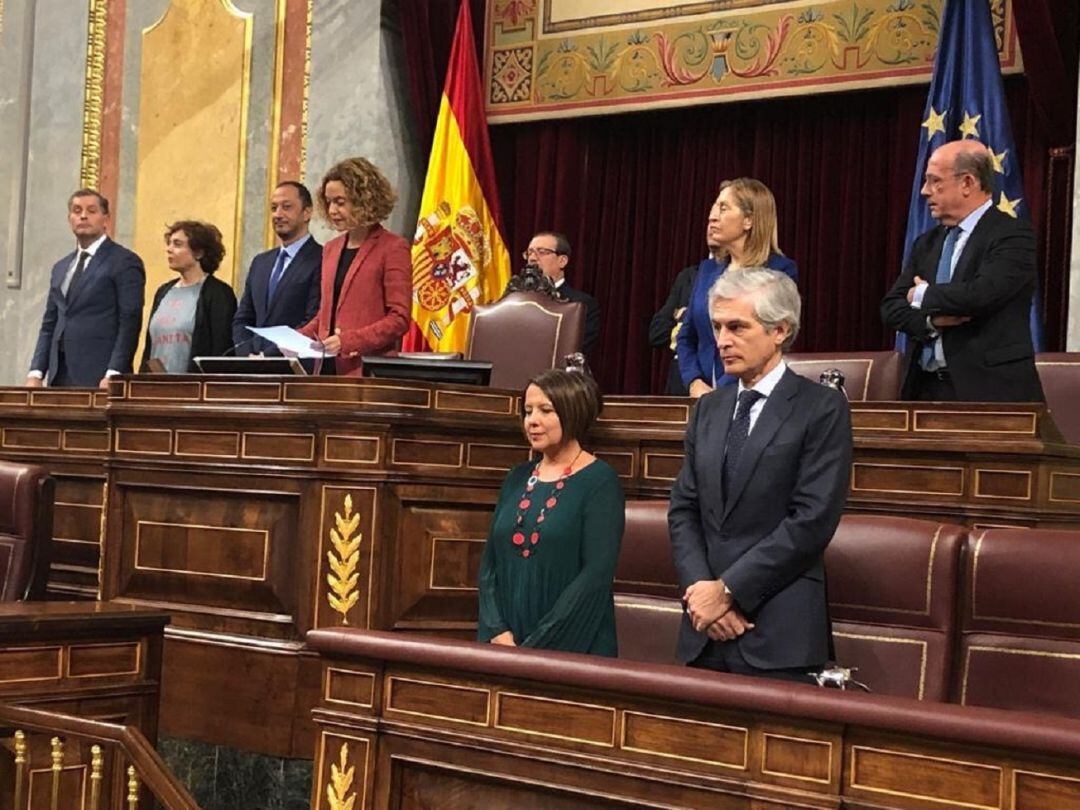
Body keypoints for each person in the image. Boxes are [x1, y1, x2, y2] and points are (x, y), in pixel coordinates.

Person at [669, 268, 851, 682]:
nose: (722, 341)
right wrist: (704, 594)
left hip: (778, 633)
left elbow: (811, 521)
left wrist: (728, 591)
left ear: (780, 331)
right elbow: (684, 509)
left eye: (737, 327)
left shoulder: (820, 408)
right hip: (704, 632)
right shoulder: (709, 410)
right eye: (716, 327)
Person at [881, 140, 1043, 402]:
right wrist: (930, 321)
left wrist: (921, 295)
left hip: (990, 393)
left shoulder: (1012, 235)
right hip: (925, 388)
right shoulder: (926, 243)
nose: (924, 191)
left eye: (935, 181)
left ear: (967, 183)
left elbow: (981, 295)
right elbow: (890, 307)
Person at [477, 367, 624, 655]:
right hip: (504, 646)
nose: (532, 421)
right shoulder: (516, 478)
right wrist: (497, 631)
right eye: (528, 411)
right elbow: (489, 567)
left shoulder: (601, 481)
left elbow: (596, 575)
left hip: (571, 645)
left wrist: (537, 646)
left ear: (573, 412)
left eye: (545, 410)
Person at [677, 179, 798, 399]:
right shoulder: (706, 271)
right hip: (700, 397)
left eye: (723, 208)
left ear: (749, 220)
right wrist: (694, 383)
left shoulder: (779, 272)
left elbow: (768, 341)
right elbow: (686, 337)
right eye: (714, 208)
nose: (712, 216)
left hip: (752, 394)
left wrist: (721, 392)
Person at [298, 157, 411, 376]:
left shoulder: (393, 247)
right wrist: (297, 338)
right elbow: (326, 315)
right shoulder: (330, 248)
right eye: (329, 202)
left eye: (340, 202)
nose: (332, 210)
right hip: (325, 371)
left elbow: (399, 318)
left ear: (363, 200)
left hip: (366, 372)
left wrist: (348, 341)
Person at [27, 189, 145, 388]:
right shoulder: (61, 267)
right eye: (77, 210)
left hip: (100, 373)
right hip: (60, 374)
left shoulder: (124, 261)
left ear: (106, 219)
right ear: (69, 219)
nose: (83, 216)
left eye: (91, 211)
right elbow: (50, 324)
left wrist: (114, 373)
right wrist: (36, 372)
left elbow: (130, 321)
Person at [233, 181, 322, 356]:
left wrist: (269, 355)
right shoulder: (261, 262)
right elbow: (243, 318)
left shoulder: (322, 259)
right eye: (274, 208)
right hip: (253, 367)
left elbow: (313, 319)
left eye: (286, 207)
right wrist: (246, 353)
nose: (278, 214)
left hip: (293, 367)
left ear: (307, 213)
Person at [141, 221, 237, 373]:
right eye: (169, 243)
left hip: (194, 389)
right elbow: (149, 348)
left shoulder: (218, 293)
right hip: (156, 388)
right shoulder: (163, 291)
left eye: (177, 244)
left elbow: (221, 350)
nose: (169, 249)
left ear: (199, 252)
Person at [525, 232, 600, 356]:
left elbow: (575, 351)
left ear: (562, 261)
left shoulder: (581, 304)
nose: (532, 258)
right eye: (529, 252)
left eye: (542, 252)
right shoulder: (514, 300)